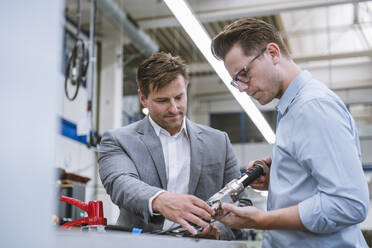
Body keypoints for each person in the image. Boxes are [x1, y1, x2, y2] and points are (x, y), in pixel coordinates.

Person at [211, 17, 369, 247]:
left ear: (273, 53)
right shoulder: (291, 108)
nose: (243, 87)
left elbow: (349, 203)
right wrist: (284, 177)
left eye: (244, 73)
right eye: (236, 81)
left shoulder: (312, 107)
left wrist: (264, 220)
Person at [98, 52, 242, 240]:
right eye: (162, 101)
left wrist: (216, 230)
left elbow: (240, 202)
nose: (174, 108)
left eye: (179, 97)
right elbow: (120, 183)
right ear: (143, 98)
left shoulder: (218, 142)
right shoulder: (119, 140)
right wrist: (160, 200)